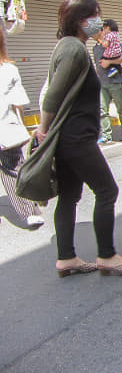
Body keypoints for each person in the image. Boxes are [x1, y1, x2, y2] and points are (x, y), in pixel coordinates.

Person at [35, 0, 122, 277]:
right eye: (95, 15)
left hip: (70, 136)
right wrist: (43, 128)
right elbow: (53, 94)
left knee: (69, 195)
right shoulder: (74, 49)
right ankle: (107, 255)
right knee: (107, 190)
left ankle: (66, 258)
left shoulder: (70, 45)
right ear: (80, 20)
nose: (100, 22)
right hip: (76, 137)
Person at [0, 28, 45, 229]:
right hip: (7, 127)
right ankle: (30, 210)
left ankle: (29, 210)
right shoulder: (9, 69)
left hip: (6, 127)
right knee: (14, 168)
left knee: (13, 168)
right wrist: (24, 126)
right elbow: (19, 103)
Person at [93, 27, 122, 144]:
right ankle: (106, 135)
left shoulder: (114, 43)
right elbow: (97, 65)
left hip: (115, 82)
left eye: (95, 32)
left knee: (121, 108)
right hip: (102, 84)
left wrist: (109, 62)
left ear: (102, 31)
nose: (92, 35)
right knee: (102, 110)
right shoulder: (95, 48)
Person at [97, 19, 122, 88]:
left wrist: (102, 43)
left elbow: (106, 44)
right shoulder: (116, 34)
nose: (104, 31)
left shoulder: (109, 35)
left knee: (102, 59)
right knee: (118, 65)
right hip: (117, 53)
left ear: (108, 28)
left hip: (111, 53)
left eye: (105, 29)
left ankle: (112, 68)